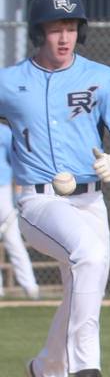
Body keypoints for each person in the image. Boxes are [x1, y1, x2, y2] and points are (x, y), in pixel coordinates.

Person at [0, 0, 110, 377]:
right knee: (90, 256)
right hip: (37, 202)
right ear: (38, 32)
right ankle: (86, 368)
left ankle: (47, 374)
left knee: (84, 287)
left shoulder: (99, 76)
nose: (63, 36)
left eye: (70, 27)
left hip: (90, 199)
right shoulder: (9, 82)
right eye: (54, 28)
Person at [0, 122, 39, 299]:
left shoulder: (4, 132)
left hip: (3, 189)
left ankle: (30, 289)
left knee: (12, 238)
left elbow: (16, 161)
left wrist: (17, 192)